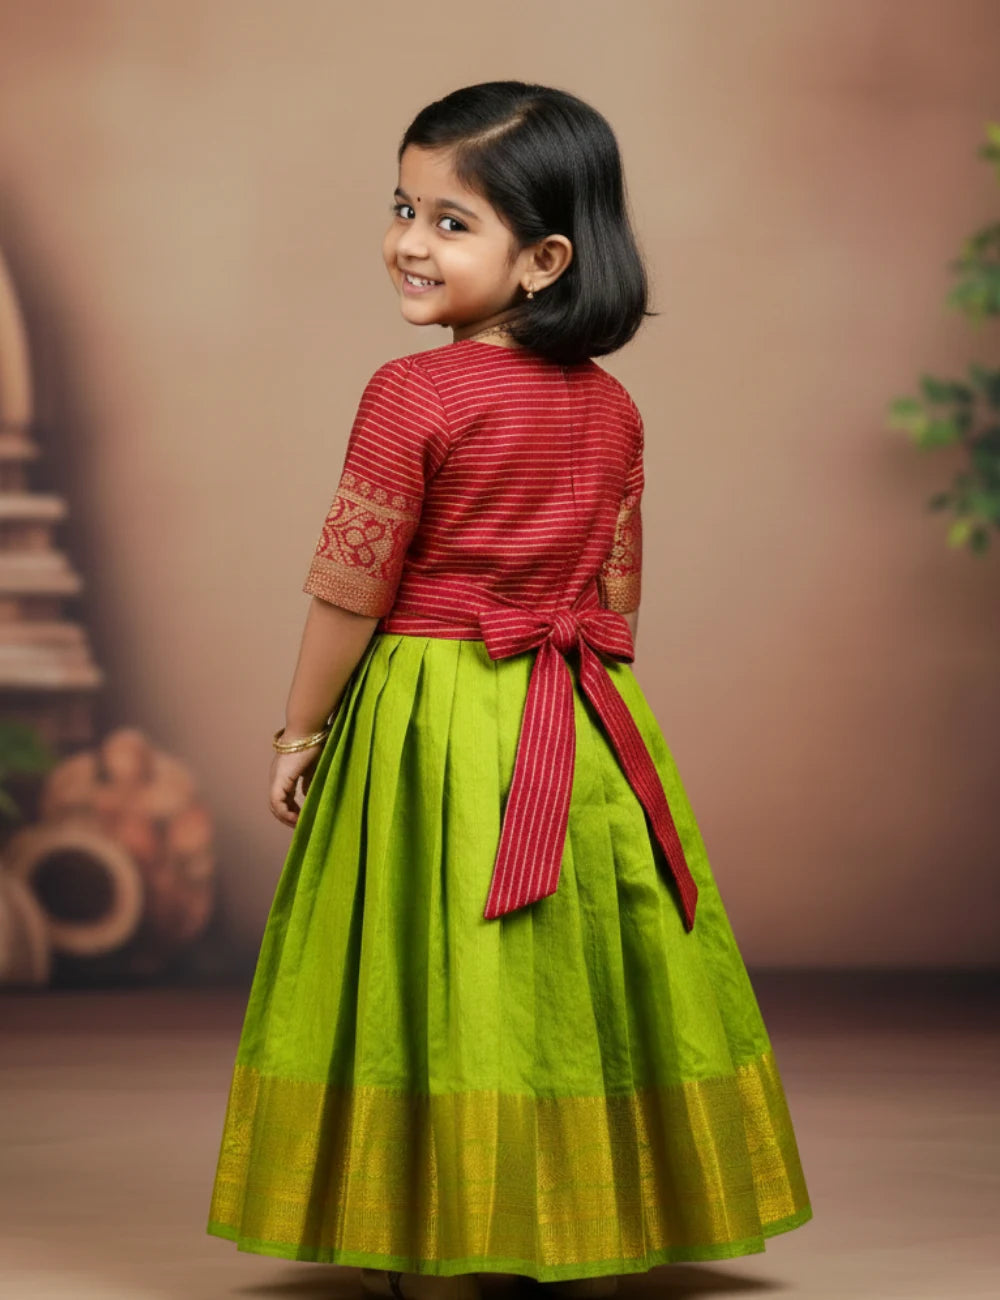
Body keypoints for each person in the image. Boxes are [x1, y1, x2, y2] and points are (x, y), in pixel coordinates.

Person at [205, 80, 813, 1300]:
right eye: (402, 206)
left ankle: (438, 1240)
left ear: (543, 258)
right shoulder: (616, 408)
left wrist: (300, 727)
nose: (408, 242)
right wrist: (591, 706)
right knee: (557, 965)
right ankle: (567, 1226)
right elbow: (617, 596)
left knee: (432, 964)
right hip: (577, 709)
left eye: (450, 221)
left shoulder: (412, 393)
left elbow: (350, 587)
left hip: (435, 710)